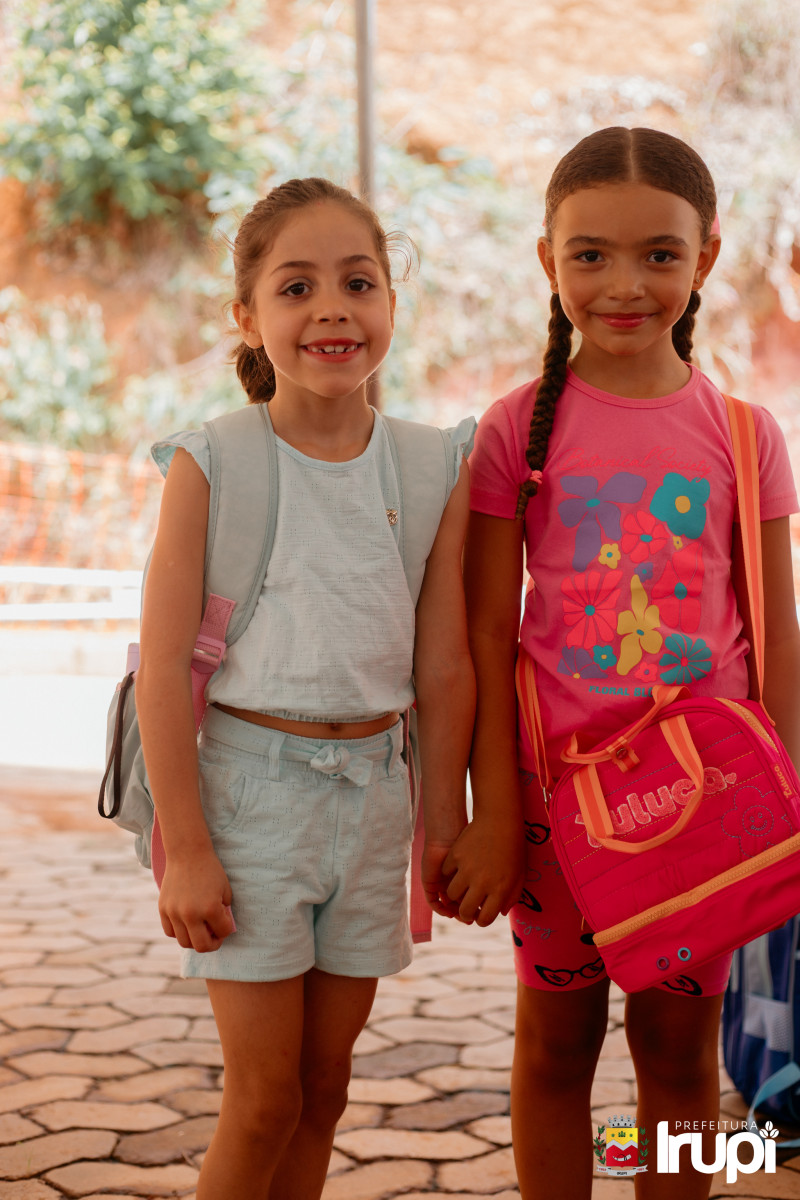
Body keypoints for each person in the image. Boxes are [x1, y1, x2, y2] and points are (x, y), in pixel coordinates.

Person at [460, 127, 800, 1198]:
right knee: (555, 1048)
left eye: (659, 254)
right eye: (590, 255)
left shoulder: (745, 436)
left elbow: (778, 636)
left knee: (679, 1058)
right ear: (547, 261)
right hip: (554, 814)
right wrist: (487, 810)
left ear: (705, 259)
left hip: (704, 814)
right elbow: (482, 638)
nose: (623, 284)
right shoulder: (511, 433)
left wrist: (786, 805)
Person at [134, 177, 476, 1200]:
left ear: (390, 303)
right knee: (263, 1099)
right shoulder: (212, 462)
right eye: (296, 287)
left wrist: (445, 822)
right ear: (247, 317)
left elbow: (443, 665)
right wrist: (189, 849)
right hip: (251, 807)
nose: (332, 308)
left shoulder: (430, 466)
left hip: (375, 801)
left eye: (357, 283)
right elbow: (162, 670)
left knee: (324, 1090)